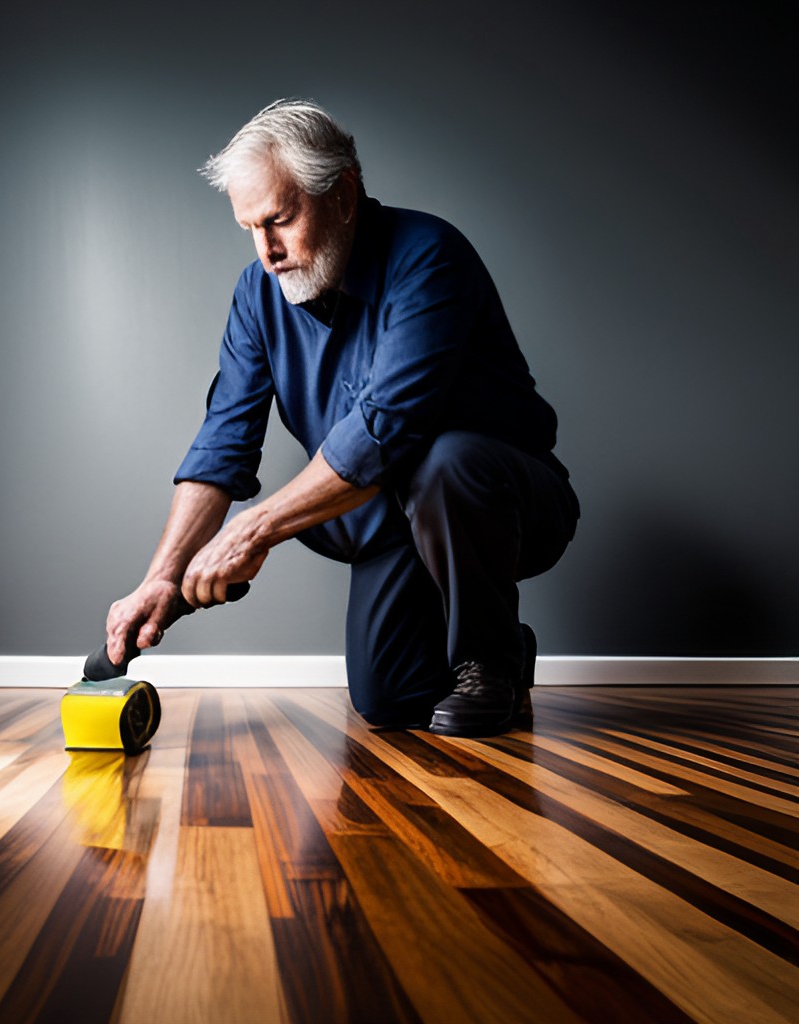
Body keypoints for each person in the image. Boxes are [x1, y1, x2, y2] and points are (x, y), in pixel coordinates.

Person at [102, 99, 579, 737]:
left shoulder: (430, 256)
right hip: (386, 521)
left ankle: (486, 658)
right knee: (387, 700)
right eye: (250, 227)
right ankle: (509, 644)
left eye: (280, 219)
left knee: (445, 460)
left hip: (499, 504)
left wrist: (254, 531)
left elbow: (386, 428)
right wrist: (161, 578)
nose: (266, 250)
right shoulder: (257, 294)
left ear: (344, 193)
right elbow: (223, 445)